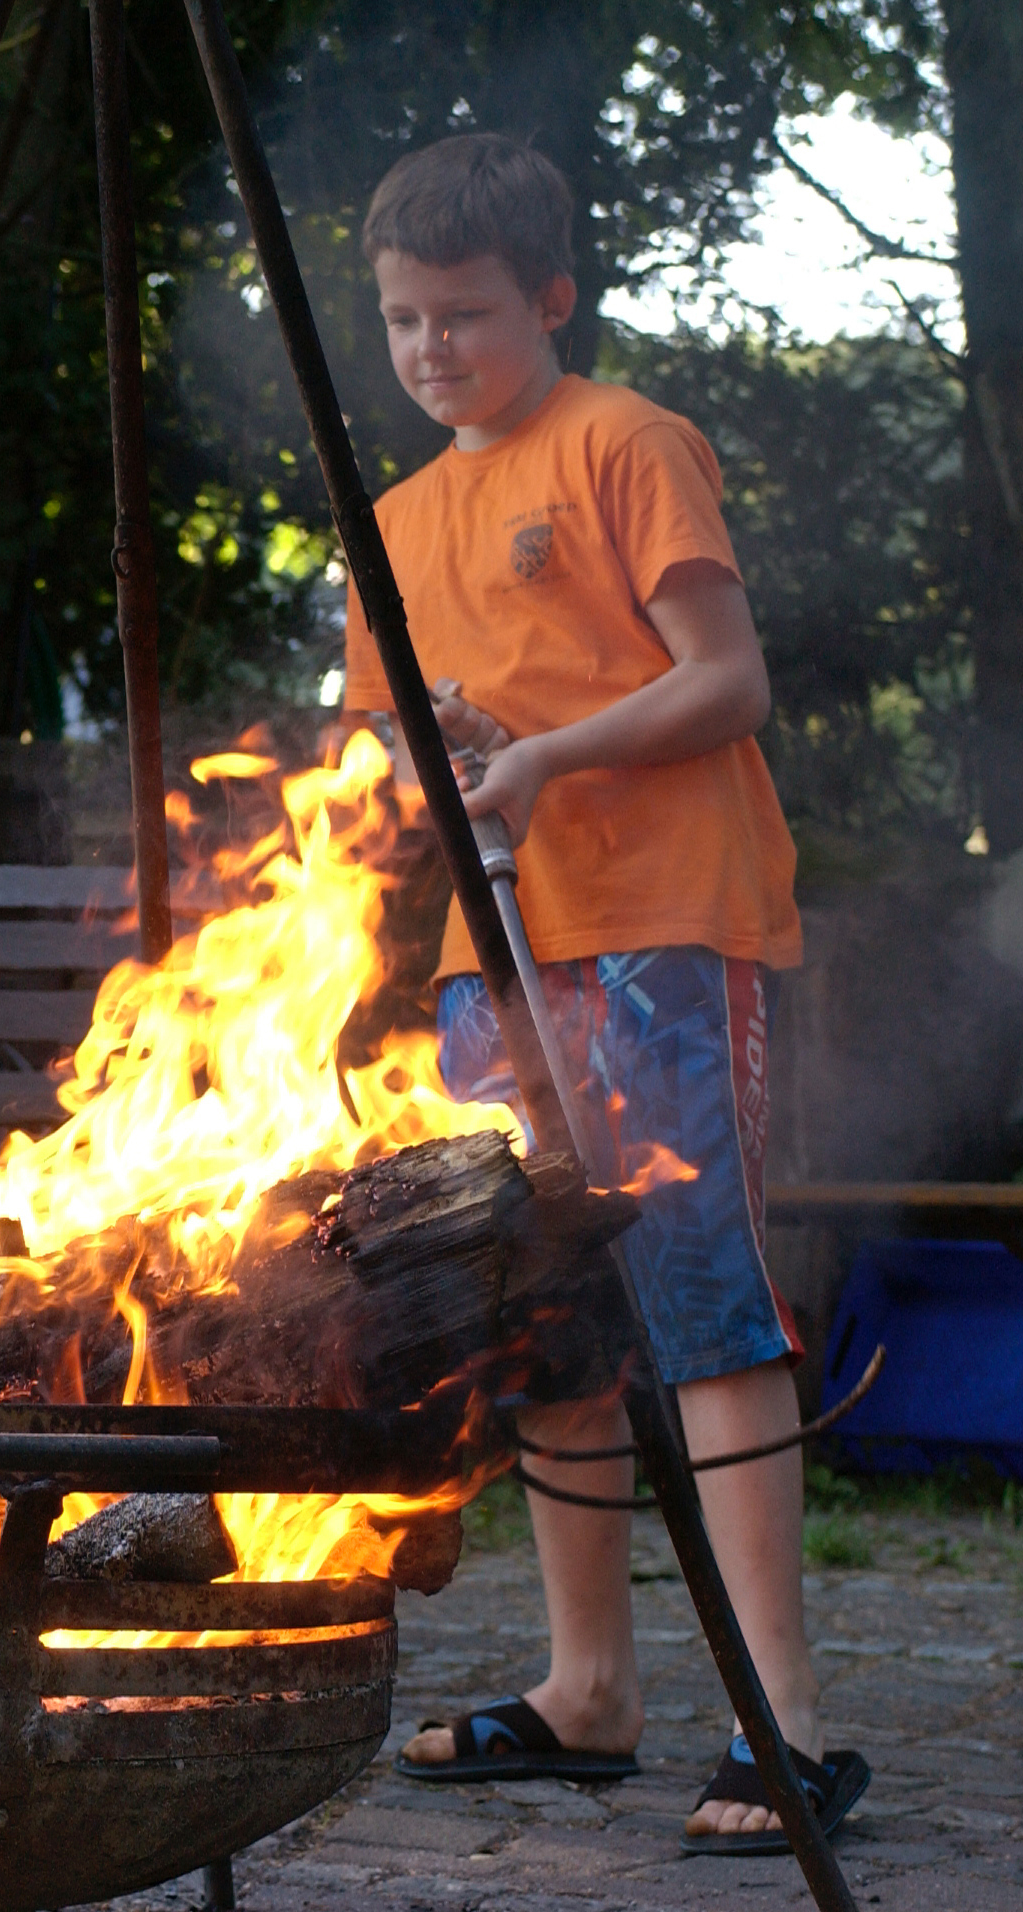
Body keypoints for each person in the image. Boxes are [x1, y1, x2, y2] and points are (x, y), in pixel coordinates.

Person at [341, 135, 865, 1855]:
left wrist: (548, 754)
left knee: (702, 1305)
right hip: (493, 959)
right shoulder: (393, 521)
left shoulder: (627, 445)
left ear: (551, 299)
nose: (433, 352)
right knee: (548, 1319)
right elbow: (381, 761)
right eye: (405, 321)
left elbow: (728, 681)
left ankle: (780, 1714)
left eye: (466, 316)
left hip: (660, 929)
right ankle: (587, 1695)